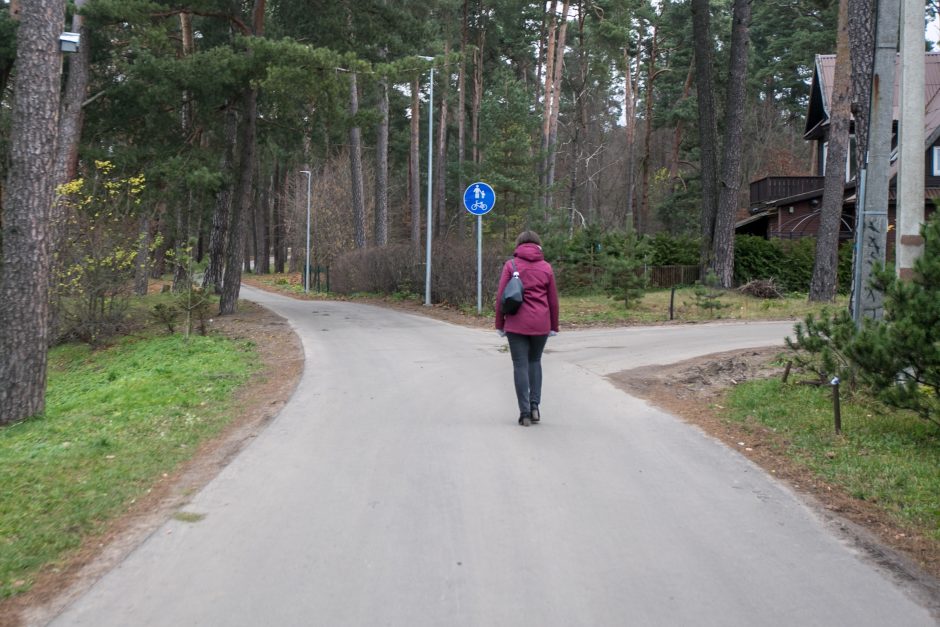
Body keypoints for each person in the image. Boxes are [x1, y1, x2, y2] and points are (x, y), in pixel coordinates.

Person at [495, 230, 560, 427]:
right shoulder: (546, 267)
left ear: (519, 245)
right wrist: (554, 326)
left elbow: (501, 298)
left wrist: (500, 324)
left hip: (515, 323)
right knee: (535, 361)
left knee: (520, 365)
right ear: (538, 245)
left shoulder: (511, 265)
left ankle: (524, 413)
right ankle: (535, 407)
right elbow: (553, 301)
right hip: (541, 323)